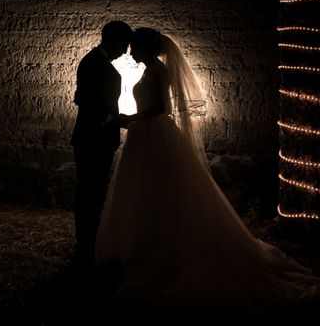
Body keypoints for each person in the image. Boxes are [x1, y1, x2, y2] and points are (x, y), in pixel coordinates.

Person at [95, 27, 320, 308]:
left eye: (134, 46)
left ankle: (161, 248)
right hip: (145, 134)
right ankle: (145, 246)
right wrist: (132, 120)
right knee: (145, 192)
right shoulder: (151, 69)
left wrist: (129, 118)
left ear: (145, 47)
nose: (130, 51)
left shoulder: (159, 71)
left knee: (159, 190)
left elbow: (161, 108)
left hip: (153, 134)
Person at [70, 21, 132, 268]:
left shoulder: (97, 62)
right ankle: (85, 250)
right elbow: (88, 102)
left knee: (93, 194)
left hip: (95, 138)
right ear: (113, 40)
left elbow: (81, 97)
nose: (125, 51)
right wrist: (116, 119)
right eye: (124, 45)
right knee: (89, 195)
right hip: (93, 139)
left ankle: (88, 247)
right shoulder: (94, 63)